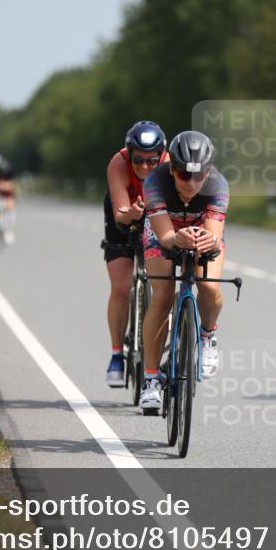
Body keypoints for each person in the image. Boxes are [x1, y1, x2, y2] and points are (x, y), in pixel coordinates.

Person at [138, 131, 229, 412]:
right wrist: (175, 240)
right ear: (172, 168)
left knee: (210, 286)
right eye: (183, 175)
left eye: (199, 175)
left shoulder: (218, 185)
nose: (191, 183)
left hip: (202, 230)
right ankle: (151, 379)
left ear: (209, 171)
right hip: (165, 230)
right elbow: (164, 237)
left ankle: (206, 335)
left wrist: (207, 241)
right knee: (163, 295)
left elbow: (214, 236)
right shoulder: (155, 182)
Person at [103, 121, 168, 388]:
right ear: (129, 153)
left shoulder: (170, 164)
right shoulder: (118, 163)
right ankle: (117, 354)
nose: (144, 167)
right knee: (121, 286)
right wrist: (131, 213)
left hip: (159, 215)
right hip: (124, 214)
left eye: (151, 161)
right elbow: (120, 213)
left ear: (161, 156)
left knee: (164, 287)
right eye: (138, 160)